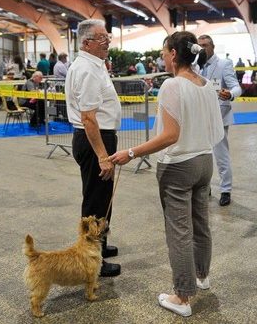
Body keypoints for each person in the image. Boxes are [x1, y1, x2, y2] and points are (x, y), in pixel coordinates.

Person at [109, 31, 224, 317]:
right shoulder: (206, 85)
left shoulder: (172, 86)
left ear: (173, 54)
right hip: (204, 161)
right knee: (201, 224)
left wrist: (132, 152)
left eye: (163, 52)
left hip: (179, 167)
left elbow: (170, 135)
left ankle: (182, 297)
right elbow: (214, 131)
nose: (162, 57)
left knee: (179, 232)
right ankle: (201, 276)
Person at [65, 19, 121, 278]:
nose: (107, 41)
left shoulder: (93, 65)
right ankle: (90, 260)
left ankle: (100, 245)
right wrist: (102, 155)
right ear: (87, 43)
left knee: (102, 197)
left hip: (99, 137)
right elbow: (88, 117)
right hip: (95, 140)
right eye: (102, 38)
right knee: (95, 201)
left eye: (107, 37)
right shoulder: (86, 70)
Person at [198, 35, 242, 206]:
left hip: (219, 116)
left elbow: (237, 87)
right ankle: (205, 187)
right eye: (200, 45)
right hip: (201, 117)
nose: (202, 48)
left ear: (213, 46)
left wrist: (230, 94)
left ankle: (225, 190)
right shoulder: (196, 66)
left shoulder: (224, 64)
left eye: (205, 45)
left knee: (221, 156)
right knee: (202, 156)